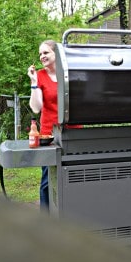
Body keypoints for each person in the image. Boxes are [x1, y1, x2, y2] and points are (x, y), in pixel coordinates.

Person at [28, 40, 82, 211]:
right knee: (47, 181)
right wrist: (34, 82)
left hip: (73, 133)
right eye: (40, 54)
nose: (42, 56)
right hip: (48, 136)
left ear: (56, 54)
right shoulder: (41, 76)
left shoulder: (70, 73)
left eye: (46, 53)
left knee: (73, 178)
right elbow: (36, 108)